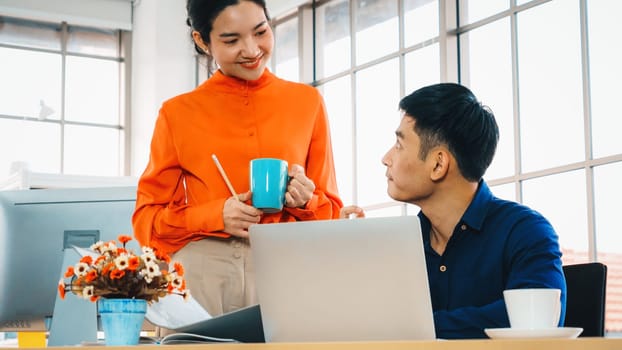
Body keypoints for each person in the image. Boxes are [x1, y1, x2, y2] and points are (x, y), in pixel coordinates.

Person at [132, 0, 343, 320]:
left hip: (287, 269)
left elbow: (333, 213)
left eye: (261, 32)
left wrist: (306, 202)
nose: (251, 49)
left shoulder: (307, 102)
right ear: (202, 41)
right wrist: (216, 215)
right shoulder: (177, 113)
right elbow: (147, 221)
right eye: (231, 40)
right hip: (203, 275)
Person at [341, 83, 566, 339]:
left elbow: (535, 320)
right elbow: (364, 326)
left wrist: (414, 328)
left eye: (400, 145)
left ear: (438, 164)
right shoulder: (399, 246)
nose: (386, 157)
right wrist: (351, 258)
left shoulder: (526, 232)